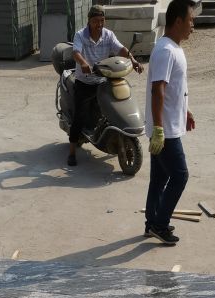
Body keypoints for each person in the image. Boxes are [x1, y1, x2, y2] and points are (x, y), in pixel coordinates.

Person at [143, 0, 197, 245]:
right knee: (180, 175)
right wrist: (158, 129)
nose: (193, 25)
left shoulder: (173, 48)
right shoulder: (166, 50)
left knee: (159, 178)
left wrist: (186, 111)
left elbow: (176, 88)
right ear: (178, 21)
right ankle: (160, 225)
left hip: (168, 125)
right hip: (165, 130)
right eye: (190, 20)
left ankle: (151, 222)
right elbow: (158, 90)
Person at [68, 5, 143, 167]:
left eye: (102, 20)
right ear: (89, 21)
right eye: (96, 21)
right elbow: (76, 52)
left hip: (103, 80)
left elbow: (120, 48)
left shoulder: (108, 35)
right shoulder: (80, 35)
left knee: (114, 108)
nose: (99, 24)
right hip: (85, 82)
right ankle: (72, 151)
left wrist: (133, 60)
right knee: (79, 117)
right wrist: (83, 63)